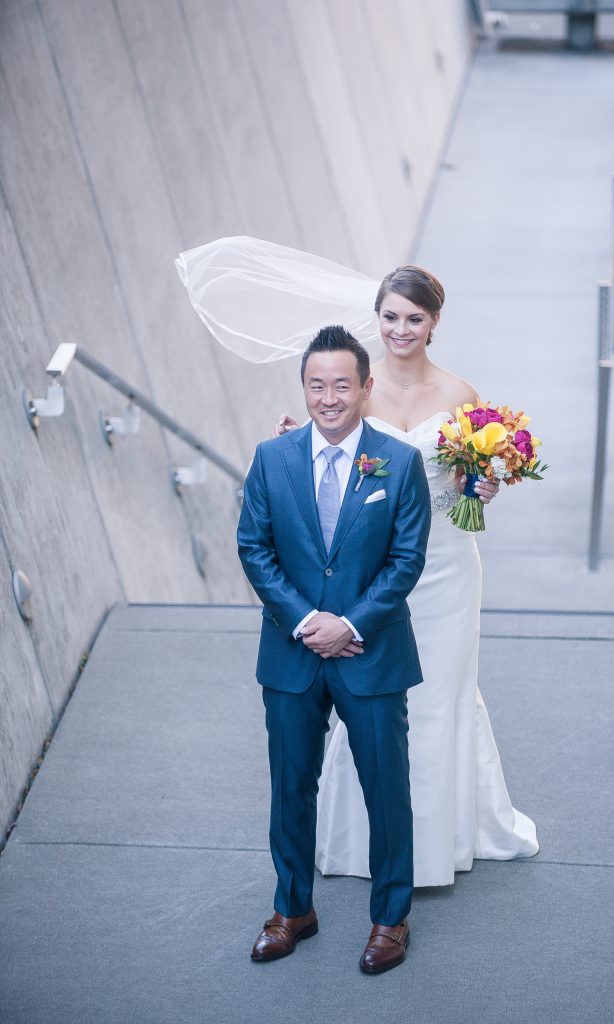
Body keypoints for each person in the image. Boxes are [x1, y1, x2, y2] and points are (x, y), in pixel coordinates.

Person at [274, 265, 539, 887]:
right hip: (372, 568)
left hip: (447, 567)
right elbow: (327, 451)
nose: (401, 329)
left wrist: (485, 485)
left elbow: (469, 495)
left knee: (438, 694)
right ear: (377, 317)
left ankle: (437, 842)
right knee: (369, 694)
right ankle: (358, 840)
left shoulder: (461, 394)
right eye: (390, 316)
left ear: (434, 324)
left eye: (414, 319)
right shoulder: (355, 390)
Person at [237, 325, 431, 973]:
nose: (328, 397)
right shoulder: (271, 458)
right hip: (291, 656)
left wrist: (348, 624)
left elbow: (406, 560)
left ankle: (389, 919)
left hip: (369, 654)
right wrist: (303, 621)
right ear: (303, 388)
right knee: (289, 786)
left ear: (366, 388)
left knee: (386, 788)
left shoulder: (397, 463)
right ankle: (293, 909)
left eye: (341, 384)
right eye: (316, 385)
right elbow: (254, 548)